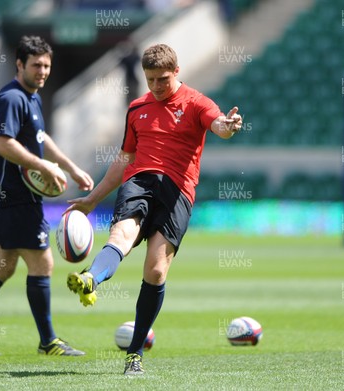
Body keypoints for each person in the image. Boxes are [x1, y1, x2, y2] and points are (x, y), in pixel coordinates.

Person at [65, 43, 242, 374]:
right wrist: (92, 198)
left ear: (176, 72)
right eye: (151, 80)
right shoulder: (136, 108)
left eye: (163, 79)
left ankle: (135, 355)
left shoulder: (196, 102)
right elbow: (124, 160)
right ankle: (91, 277)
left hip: (177, 192)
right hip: (140, 181)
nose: (157, 87)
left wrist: (227, 126)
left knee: (156, 271)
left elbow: (218, 124)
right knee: (121, 233)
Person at [0, 36, 94, 356]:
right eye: (36, 65)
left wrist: (70, 167)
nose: (43, 71)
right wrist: (41, 165)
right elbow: (2, 144)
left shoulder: (31, 98)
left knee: (1, 266)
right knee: (43, 264)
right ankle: (49, 342)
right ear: (19, 65)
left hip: (14, 197)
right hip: (14, 196)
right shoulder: (11, 98)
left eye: (47, 65)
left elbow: (41, 139)